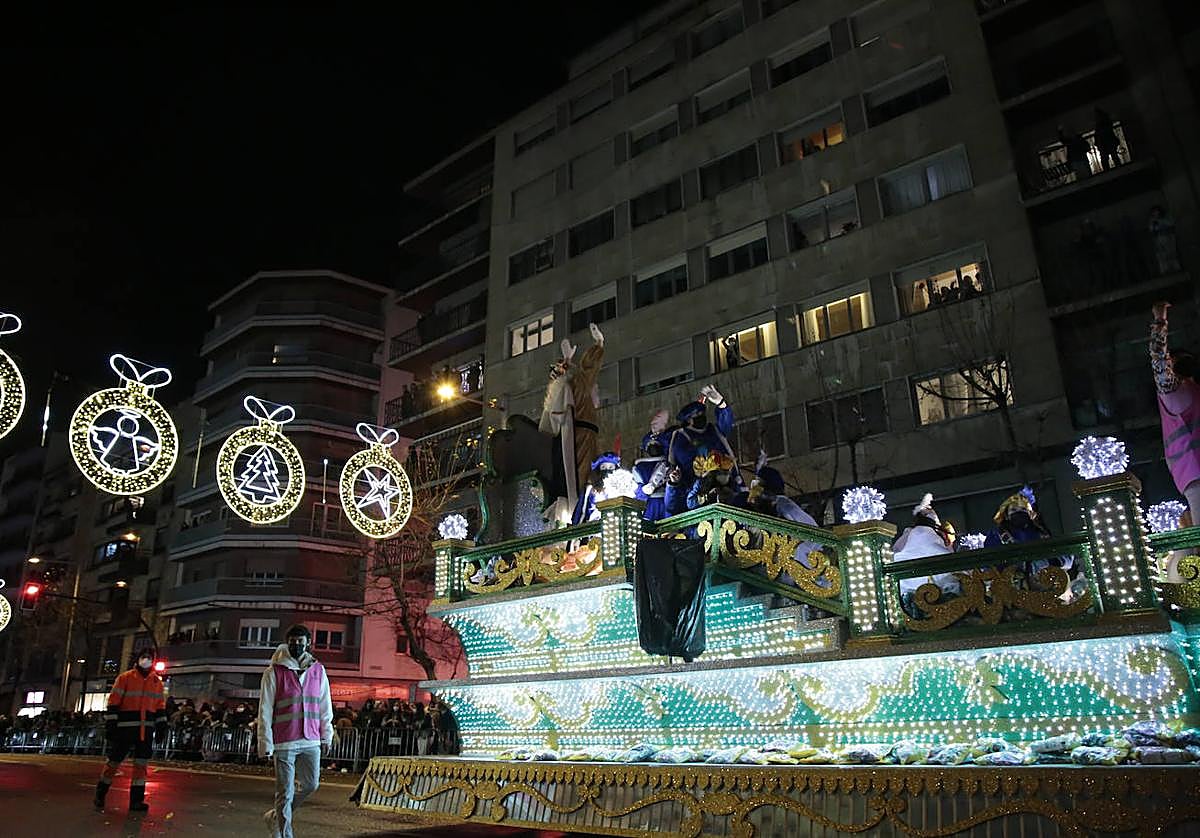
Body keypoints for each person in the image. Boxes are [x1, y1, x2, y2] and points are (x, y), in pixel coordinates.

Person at [258, 625, 334, 838]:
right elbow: (264, 709)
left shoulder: (318, 669)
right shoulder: (273, 671)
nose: (297, 646)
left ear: (308, 643)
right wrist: (266, 743)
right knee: (285, 793)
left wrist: (326, 734)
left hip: (311, 739)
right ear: (287, 642)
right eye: (293, 642)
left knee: (311, 784)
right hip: (284, 741)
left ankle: (276, 816)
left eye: (301, 642)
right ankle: (283, 833)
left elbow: (324, 705)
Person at [540, 323, 606, 518]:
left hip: (582, 436)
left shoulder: (570, 386)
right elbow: (588, 368)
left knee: (587, 475)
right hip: (581, 438)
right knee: (582, 476)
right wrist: (599, 344)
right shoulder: (578, 383)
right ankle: (582, 512)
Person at [93, 648, 167, 812]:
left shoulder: (157, 682)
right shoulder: (125, 678)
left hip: (144, 731)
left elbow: (160, 707)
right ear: (138, 659)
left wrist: (162, 726)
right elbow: (113, 703)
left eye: (149, 658)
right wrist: (111, 725)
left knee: (141, 766)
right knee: (113, 762)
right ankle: (101, 792)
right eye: (143, 657)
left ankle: (136, 801)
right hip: (124, 731)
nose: (146, 660)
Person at [1151, 302, 1200, 528]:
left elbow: (1159, 361)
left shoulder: (1176, 392)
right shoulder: (1184, 392)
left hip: (1193, 476)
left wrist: (1160, 320)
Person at [665, 384, 739, 516]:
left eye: (702, 413)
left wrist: (721, 404)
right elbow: (680, 462)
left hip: (725, 484)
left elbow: (726, 424)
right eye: (697, 415)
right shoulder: (680, 436)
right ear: (688, 419)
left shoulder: (714, 430)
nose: (701, 416)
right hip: (698, 492)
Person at [891, 494, 959, 605]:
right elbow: (943, 556)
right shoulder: (926, 534)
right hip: (928, 591)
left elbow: (895, 554)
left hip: (905, 591)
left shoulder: (907, 535)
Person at [633, 410, 672, 523]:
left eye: (656, 444)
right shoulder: (640, 468)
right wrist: (643, 491)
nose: (653, 446)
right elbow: (636, 489)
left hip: (667, 502)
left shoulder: (669, 463)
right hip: (649, 504)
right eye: (650, 444)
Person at [1149, 207, 1182, 275]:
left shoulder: (1165, 218)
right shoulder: (1153, 221)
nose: (1155, 213)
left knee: (1172, 253)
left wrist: (1162, 223)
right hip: (1160, 238)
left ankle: (1176, 268)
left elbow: (1171, 224)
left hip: (1169, 237)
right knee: (1163, 255)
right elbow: (1152, 229)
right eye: (1154, 212)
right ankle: (1166, 270)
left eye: (1156, 211)